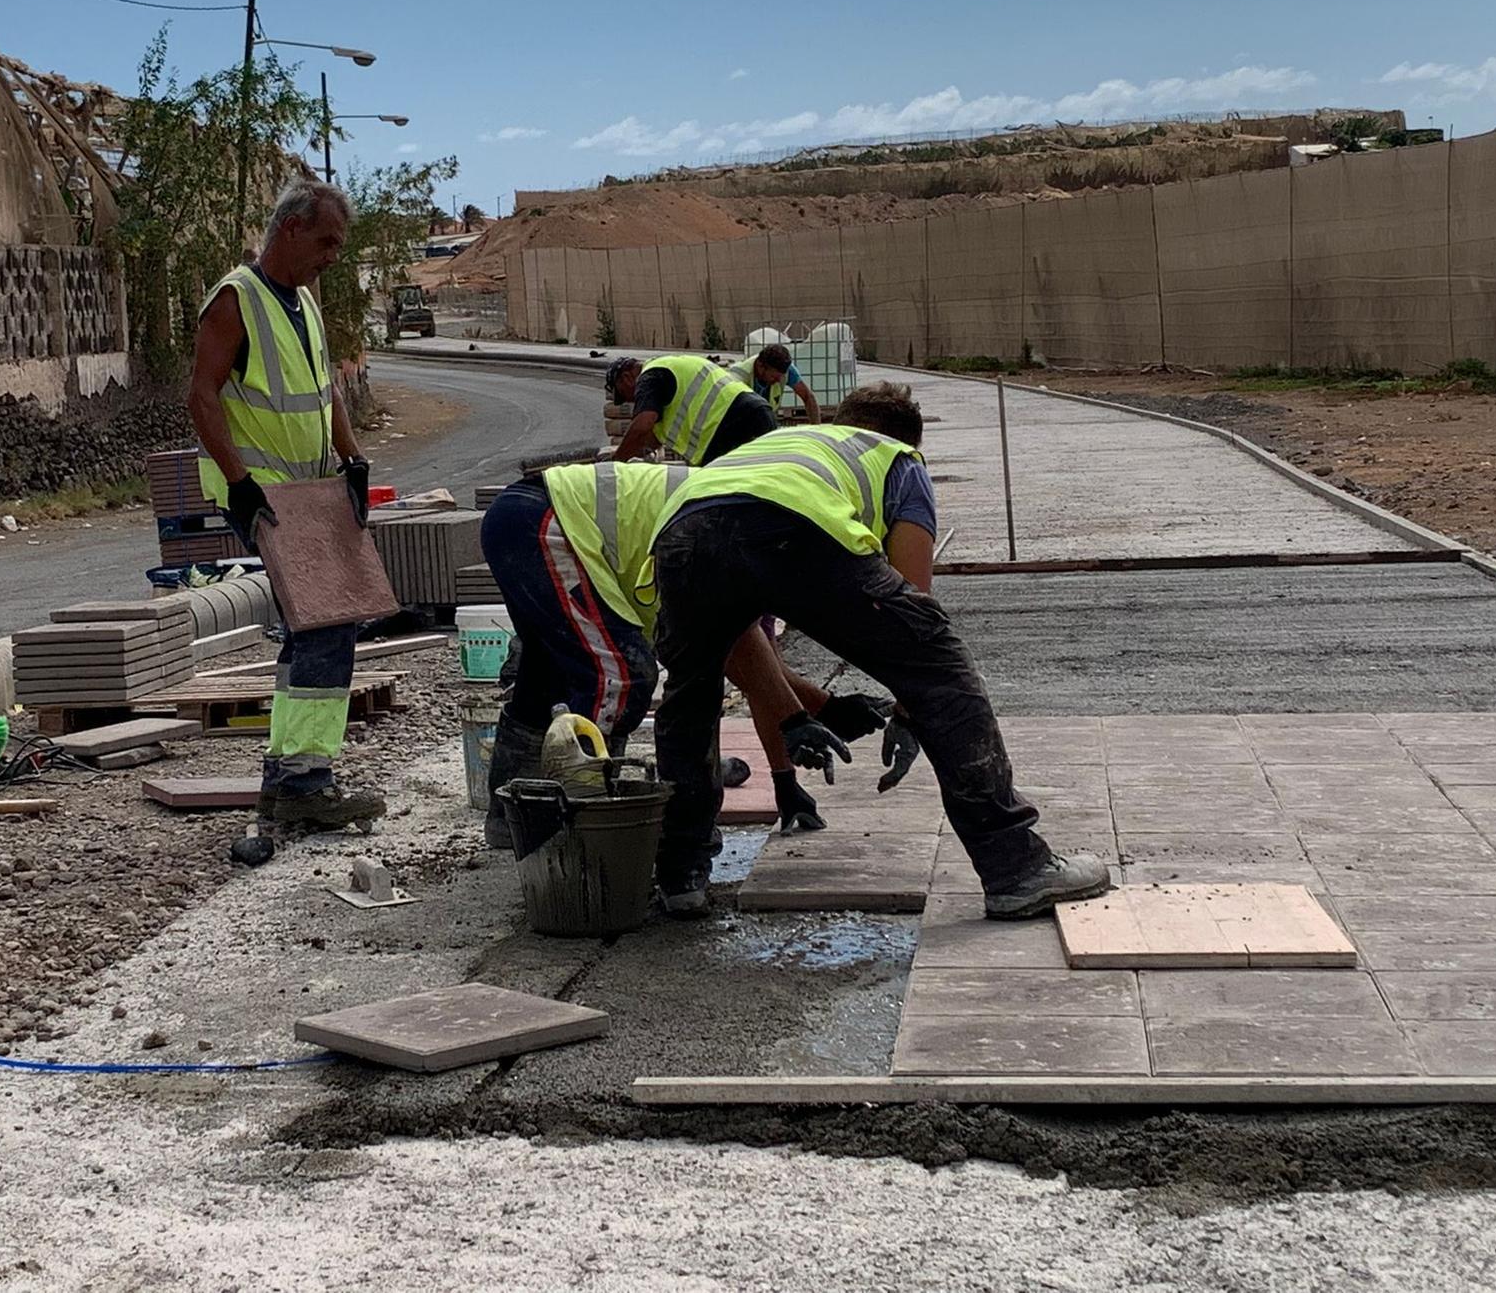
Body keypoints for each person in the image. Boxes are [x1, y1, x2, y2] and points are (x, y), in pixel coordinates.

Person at [644, 381, 1113, 920]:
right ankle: (1016, 868)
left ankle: (681, 875)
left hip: (682, 531)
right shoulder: (898, 458)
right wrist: (912, 709)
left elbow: (738, 637)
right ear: (908, 440)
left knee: (689, 698)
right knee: (939, 664)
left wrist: (798, 710)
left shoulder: (788, 448)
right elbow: (916, 605)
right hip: (790, 524)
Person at [477, 459, 896, 846]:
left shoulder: (760, 536)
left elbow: (750, 660)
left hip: (531, 517)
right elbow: (744, 659)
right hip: (544, 520)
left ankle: (510, 823)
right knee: (620, 678)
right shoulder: (750, 538)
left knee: (547, 675)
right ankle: (588, 838)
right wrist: (802, 720)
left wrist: (819, 716)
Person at [188, 179, 384, 834]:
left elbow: (324, 391)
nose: (334, 254)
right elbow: (202, 397)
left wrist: (351, 458)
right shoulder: (236, 300)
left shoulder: (304, 304)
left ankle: (284, 779)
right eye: (327, 241)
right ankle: (305, 780)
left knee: (315, 627)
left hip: (312, 490)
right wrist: (240, 482)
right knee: (327, 625)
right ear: (291, 229)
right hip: (267, 497)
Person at [605, 354, 776, 465]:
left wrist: (617, 462)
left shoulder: (649, 376)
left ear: (627, 378)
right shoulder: (670, 369)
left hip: (730, 423)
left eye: (624, 395)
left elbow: (642, 426)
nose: (630, 400)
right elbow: (650, 441)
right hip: (756, 412)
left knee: (721, 495)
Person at [729, 342, 821, 423]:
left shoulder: (786, 370)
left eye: (781, 377)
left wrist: (816, 430)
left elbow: (808, 397)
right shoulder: (738, 378)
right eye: (774, 377)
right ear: (760, 366)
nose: (778, 381)